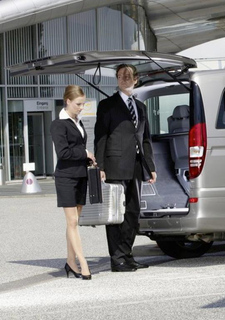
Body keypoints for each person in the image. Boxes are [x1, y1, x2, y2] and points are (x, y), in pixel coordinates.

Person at [94, 64, 157, 272]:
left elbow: (145, 139)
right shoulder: (107, 105)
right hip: (114, 164)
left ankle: (127, 254)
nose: (124, 79)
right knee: (115, 214)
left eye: (128, 76)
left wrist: (150, 166)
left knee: (132, 212)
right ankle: (117, 259)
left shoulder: (141, 107)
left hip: (136, 166)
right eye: (121, 76)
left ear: (136, 79)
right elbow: (101, 137)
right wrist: (100, 166)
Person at [51, 85, 95, 280]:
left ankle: (70, 261)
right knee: (72, 222)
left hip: (81, 175)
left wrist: (91, 160)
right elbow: (63, 153)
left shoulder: (78, 122)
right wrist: (85, 153)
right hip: (66, 177)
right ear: (67, 101)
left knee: (74, 223)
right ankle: (82, 262)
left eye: (83, 104)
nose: (81, 108)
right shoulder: (58, 124)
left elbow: (77, 149)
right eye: (78, 104)